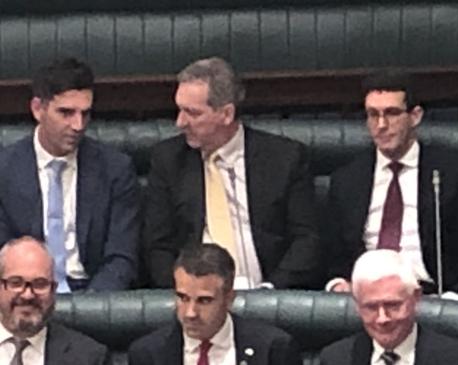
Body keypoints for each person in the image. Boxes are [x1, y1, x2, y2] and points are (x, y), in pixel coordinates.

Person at [144, 56, 321, 290]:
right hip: (194, 298)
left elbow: (306, 241)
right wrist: (185, 294)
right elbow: (157, 246)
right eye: (179, 110)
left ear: (226, 114)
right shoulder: (168, 160)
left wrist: (271, 292)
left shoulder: (285, 158)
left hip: (268, 293)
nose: (180, 122)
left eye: (193, 113)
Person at [326, 70, 458, 293]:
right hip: (365, 297)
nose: (381, 125)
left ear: (415, 116)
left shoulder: (453, 173)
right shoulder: (347, 179)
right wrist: (338, 285)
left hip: (433, 296)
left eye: (392, 113)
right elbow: (332, 259)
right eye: (372, 114)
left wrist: (457, 300)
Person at [0, 58, 140, 292]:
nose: (78, 125)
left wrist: (93, 307)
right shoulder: (4, 169)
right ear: (37, 109)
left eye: (85, 114)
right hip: (25, 292)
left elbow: (122, 257)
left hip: (93, 291)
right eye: (66, 113)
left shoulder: (115, 169)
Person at [128, 244, 302, 365]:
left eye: (204, 301)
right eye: (183, 298)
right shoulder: (148, 353)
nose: (190, 313)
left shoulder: (274, 349)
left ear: (229, 298)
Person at [320, 249, 458, 365]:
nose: (382, 318)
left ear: (416, 297)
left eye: (393, 305)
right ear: (357, 305)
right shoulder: (336, 359)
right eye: (370, 307)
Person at [0, 236, 108, 364]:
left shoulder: (90, 357)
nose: (27, 295)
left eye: (40, 284)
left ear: (54, 290)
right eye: (16, 283)